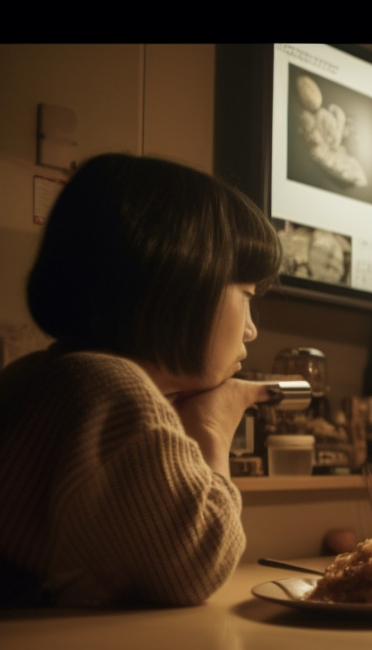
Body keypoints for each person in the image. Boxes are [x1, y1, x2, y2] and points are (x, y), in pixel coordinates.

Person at [0, 154, 281, 607]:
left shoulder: (39, 376)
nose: (251, 329)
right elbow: (197, 569)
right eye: (245, 296)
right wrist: (212, 427)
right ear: (184, 289)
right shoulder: (114, 389)